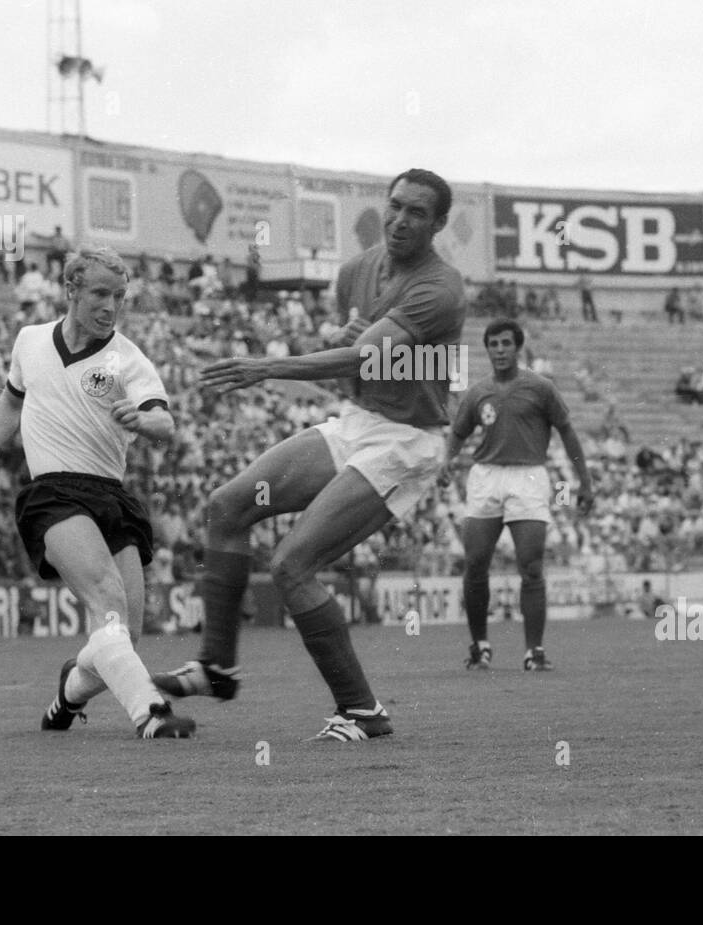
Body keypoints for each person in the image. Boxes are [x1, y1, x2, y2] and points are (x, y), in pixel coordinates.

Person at [150, 169, 466, 741]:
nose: (400, 219)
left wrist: (266, 367)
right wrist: (354, 340)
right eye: (395, 205)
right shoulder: (357, 270)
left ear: (439, 223)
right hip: (359, 424)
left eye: (417, 212)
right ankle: (216, 666)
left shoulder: (440, 288)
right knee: (227, 506)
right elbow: (359, 359)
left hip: (405, 442)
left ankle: (364, 713)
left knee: (293, 565)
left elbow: (360, 359)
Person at [0, 245, 195, 739]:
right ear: (70, 290)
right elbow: (10, 400)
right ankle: (150, 713)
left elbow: (166, 422)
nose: (110, 306)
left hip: (111, 493)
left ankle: (67, 694)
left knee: (124, 637)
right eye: (99, 294)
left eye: (119, 296)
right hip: (54, 493)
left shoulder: (127, 358)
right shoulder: (30, 340)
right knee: (107, 598)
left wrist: (143, 418)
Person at [441, 319, 593, 672]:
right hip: (486, 477)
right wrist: (447, 461)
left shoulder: (541, 388)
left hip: (528, 475)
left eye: (506, 343)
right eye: (493, 343)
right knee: (476, 563)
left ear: (517, 346)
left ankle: (533, 651)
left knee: (531, 566)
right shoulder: (478, 392)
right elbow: (458, 433)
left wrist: (584, 482)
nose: (499, 349)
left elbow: (568, 433)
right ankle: (480, 646)